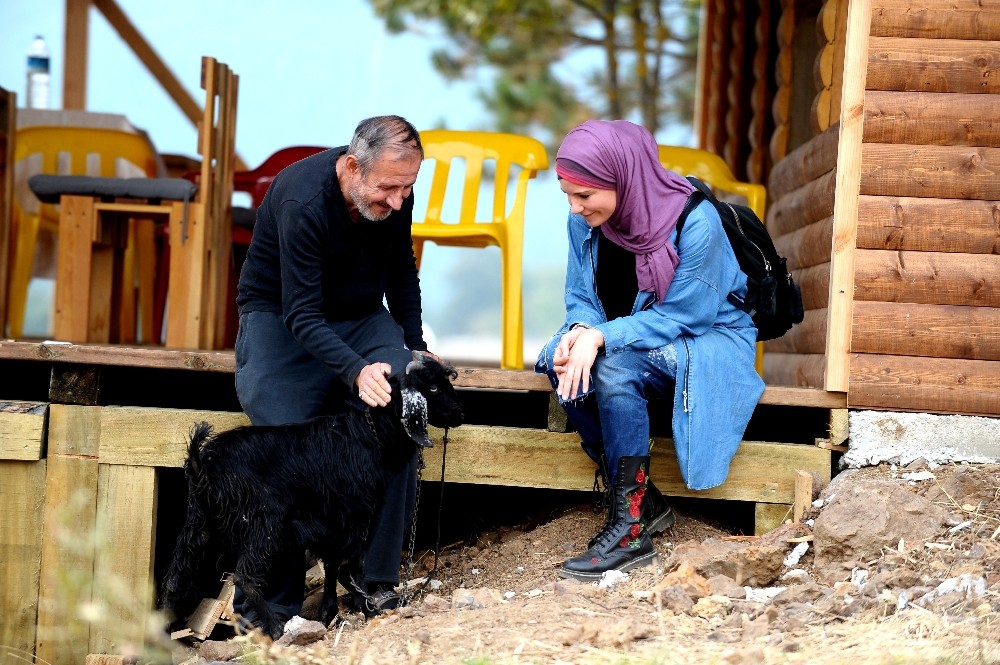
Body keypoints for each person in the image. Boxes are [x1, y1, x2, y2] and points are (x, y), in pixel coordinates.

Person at [536, 119, 765, 581]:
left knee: (612, 368)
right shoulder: (582, 224)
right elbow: (581, 296)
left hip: (708, 339)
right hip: (631, 335)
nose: (575, 207)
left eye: (585, 196)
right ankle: (647, 503)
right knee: (555, 357)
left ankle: (630, 529)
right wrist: (579, 331)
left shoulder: (694, 221)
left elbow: (687, 315)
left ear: (623, 176)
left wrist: (602, 338)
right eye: (567, 196)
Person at [234, 115, 437, 627]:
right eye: (389, 188)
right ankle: (269, 609)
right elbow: (302, 314)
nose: (397, 201)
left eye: (407, 188)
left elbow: (401, 273)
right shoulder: (301, 199)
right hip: (282, 318)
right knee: (285, 444)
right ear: (351, 166)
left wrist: (412, 347)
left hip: (363, 317)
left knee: (401, 410)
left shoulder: (395, 190)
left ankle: (375, 580)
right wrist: (356, 371)